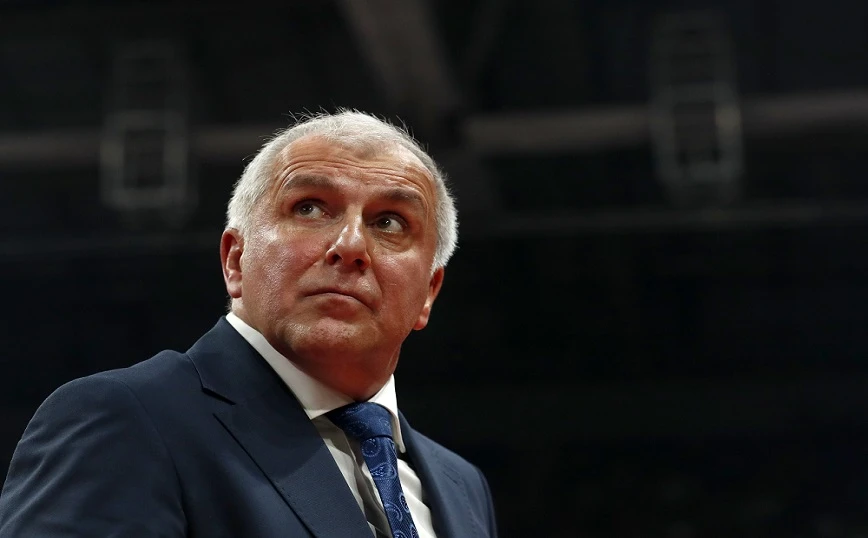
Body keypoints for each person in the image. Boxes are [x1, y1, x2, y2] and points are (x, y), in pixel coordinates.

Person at [0, 110, 498, 537]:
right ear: (235, 261)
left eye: (389, 222)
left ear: (428, 293)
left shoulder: (461, 485)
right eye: (309, 208)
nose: (350, 245)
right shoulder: (123, 421)